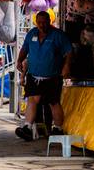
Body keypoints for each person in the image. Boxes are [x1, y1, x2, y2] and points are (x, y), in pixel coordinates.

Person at [15, 11, 73, 141]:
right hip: (34, 76)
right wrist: (19, 60)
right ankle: (27, 127)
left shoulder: (58, 35)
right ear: (36, 22)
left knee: (54, 102)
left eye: (44, 22)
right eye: (39, 22)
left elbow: (69, 51)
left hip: (52, 76)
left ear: (49, 21)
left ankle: (58, 128)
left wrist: (66, 66)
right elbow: (25, 49)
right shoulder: (31, 34)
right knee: (32, 100)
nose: (42, 25)